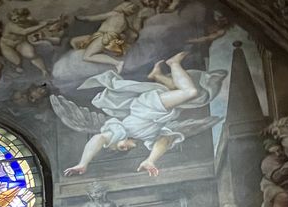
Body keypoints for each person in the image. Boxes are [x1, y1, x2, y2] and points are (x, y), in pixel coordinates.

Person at [55, 52, 225, 177]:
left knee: (190, 92)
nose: (127, 147)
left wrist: (83, 163)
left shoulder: (120, 130)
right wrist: (150, 160)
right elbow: (164, 141)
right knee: (191, 95)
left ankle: (173, 63)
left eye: (121, 147)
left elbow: (98, 139)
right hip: (158, 110)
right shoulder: (147, 138)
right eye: (125, 150)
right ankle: (157, 75)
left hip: (147, 106)